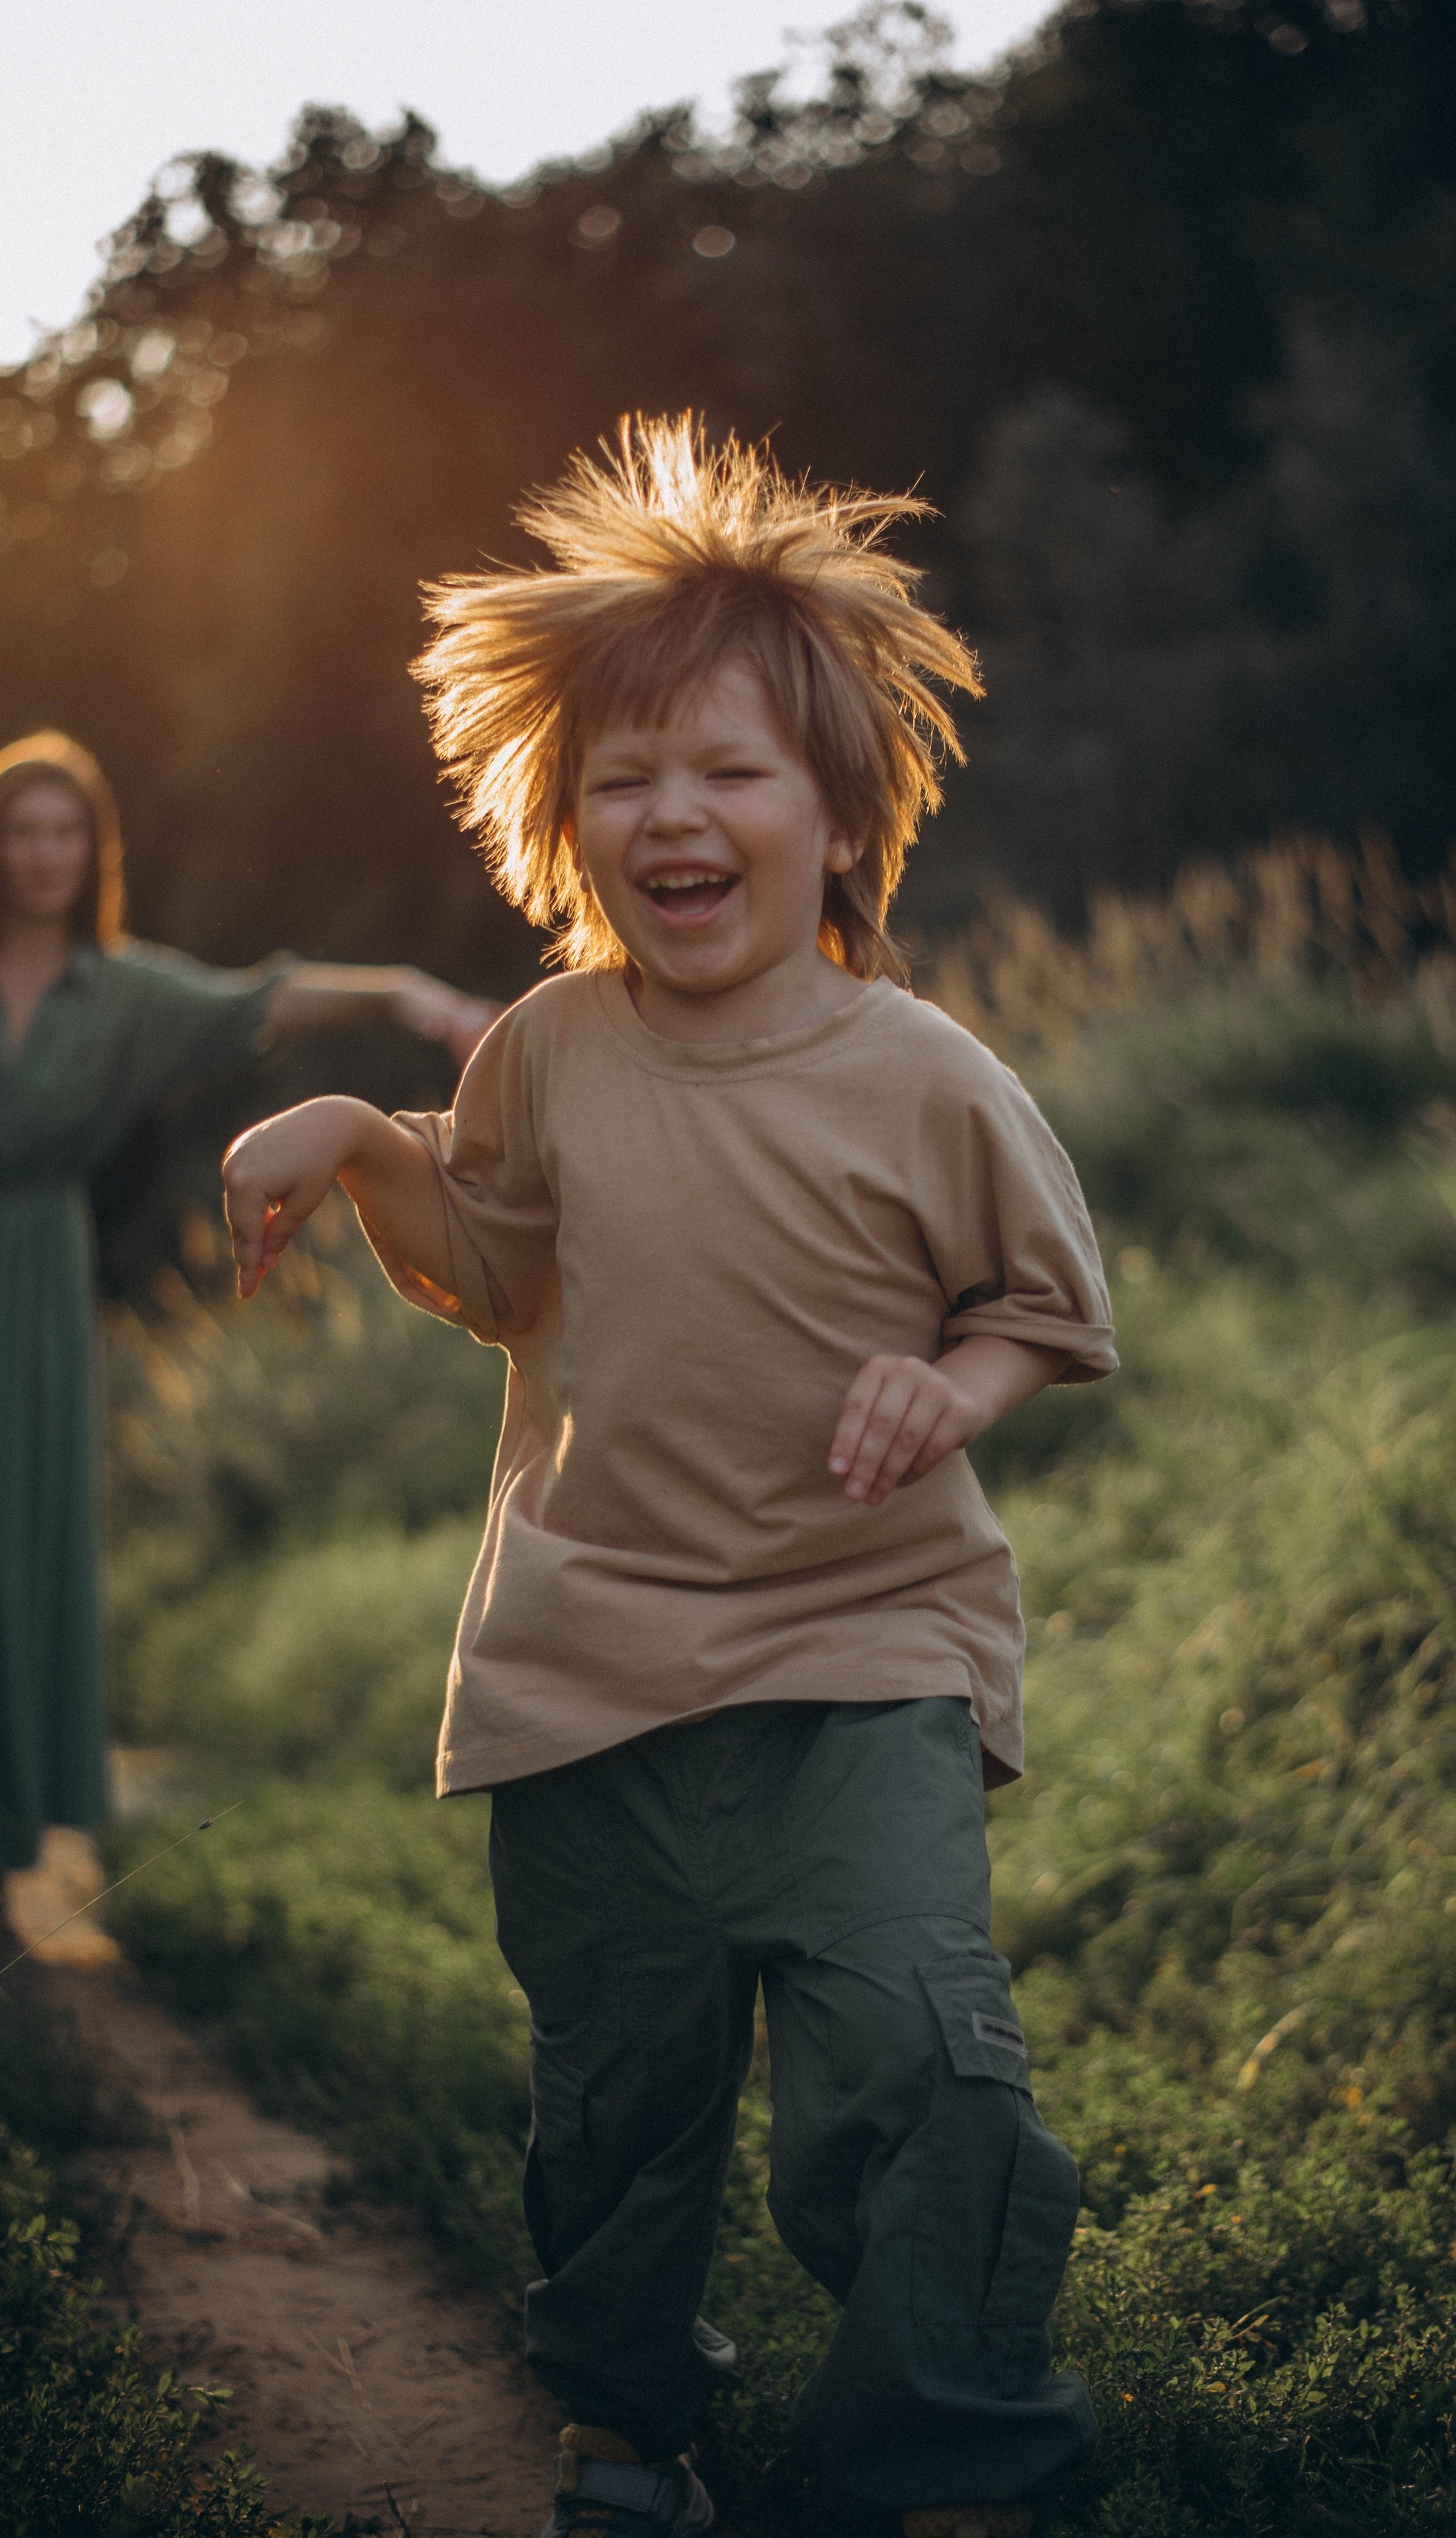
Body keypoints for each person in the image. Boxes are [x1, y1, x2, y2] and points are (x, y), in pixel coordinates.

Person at [220, 419, 1115, 2538]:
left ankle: (949, 2459)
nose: (674, 814)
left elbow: (1044, 1304)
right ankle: (628, 2430)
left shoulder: (927, 1074)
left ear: (840, 812)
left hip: (864, 1652)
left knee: (922, 2058)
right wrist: (358, 1138)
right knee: (618, 2110)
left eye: (729, 770)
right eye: (623, 780)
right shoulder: (543, 1048)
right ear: (561, 823)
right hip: (589, 1665)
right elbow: (493, 1269)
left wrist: (951, 1387)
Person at [0, 727, 497, 1915]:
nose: (45, 853)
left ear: (94, 850)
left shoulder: (121, 995)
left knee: (17, 1529)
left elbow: (263, 998)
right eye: (22, 831)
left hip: (32, 1287)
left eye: (67, 832)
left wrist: (407, 993)